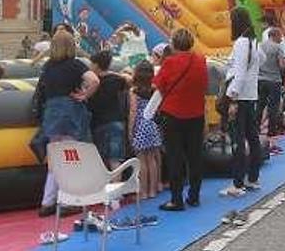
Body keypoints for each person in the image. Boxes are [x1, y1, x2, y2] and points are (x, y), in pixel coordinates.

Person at [32, 30, 100, 217]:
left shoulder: (47, 66)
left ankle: (47, 202)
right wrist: (85, 94)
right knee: (71, 157)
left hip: (52, 115)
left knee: (54, 160)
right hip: (70, 114)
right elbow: (94, 80)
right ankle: (69, 201)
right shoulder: (75, 65)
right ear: (71, 46)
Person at [153, 28, 209, 210]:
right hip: (196, 113)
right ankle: (194, 195)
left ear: (174, 44)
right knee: (195, 156)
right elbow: (205, 85)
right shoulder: (200, 61)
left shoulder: (169, 62)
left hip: (173, 114)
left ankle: (176, 199)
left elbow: (159, 85)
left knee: (175, 157)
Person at [221, 8, 263, 198]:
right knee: (252, 138)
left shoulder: (240, 43)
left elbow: (239, 74)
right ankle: (252, 178)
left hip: (240, 96)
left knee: (238, 140)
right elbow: (258, 62)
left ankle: (238, 183)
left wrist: (232, 98)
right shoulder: (254, 42)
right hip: (251, 95)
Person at [87, 50, 128, 173]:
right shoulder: (116, 79)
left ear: (96, 65)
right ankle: (117, 189)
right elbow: (128, 79)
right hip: (116, 122)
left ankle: (105, 189)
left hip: (100, 124)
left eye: (91, 64)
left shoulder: (92, 82)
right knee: (115, 160)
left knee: (101, 160)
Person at [127, 61, 162, 199]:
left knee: (141, 160)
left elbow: (133, 111)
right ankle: (153, 190)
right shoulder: (154, 90)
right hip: (152, 125)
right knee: (152, 159)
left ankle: (143, 191)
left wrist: (130, 130)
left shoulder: (134, 91)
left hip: (140, 126)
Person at [257, 27, 285, 137]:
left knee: (260, 104)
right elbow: (282, 64)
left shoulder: (260, 46)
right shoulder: (278, 48)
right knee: (273, 106)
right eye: (280, 36)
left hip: (260, 79)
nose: (282, 39)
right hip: (274, 80)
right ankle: (272, 130)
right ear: (274, 36)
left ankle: (256, 128)